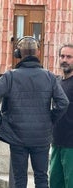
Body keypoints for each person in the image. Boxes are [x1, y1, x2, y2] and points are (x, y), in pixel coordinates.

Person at [0, 36, 69, 188]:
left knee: (19, 179)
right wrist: (50, 120)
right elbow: (63, 103)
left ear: (18, 54)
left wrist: (1, 122)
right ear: (38, 53)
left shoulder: (10, 76)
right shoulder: (49, 76)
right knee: (42, 178)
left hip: (17, 136)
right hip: (41, 137)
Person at [50, 44, 73, 188]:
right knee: (54, 183)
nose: (65, 60)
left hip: (71, 146)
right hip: (56, 142)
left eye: (69, 57)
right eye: (62, 56)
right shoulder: (57, 82)